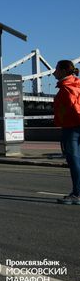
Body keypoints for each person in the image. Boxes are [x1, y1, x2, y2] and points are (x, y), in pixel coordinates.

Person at [53, 60, 80, 205]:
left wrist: (62, 119)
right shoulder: (77, 84)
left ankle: (77, 194)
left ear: (63, 71)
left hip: (72, 127)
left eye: (56, 69)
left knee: (74, 161)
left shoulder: (66, 88)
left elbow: (72, 108)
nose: (53, 72)